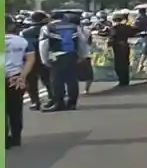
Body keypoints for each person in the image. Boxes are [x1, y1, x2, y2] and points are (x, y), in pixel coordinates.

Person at [38, 10, 91, 112]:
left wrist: (44, 59)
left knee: (56, 80)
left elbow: (43, 45)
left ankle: (59, 103)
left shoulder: (47, 28)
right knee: (72, 80)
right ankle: (72, 103)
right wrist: (82, 55)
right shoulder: (74, 27)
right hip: (72, 55)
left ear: (51, 18)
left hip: (56, 56)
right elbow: (82, 41)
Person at [6, 15, 37, 148]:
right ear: (11, 26)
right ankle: (16, 137)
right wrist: (23, 76)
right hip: (16, 77)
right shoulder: (22, 41)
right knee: (15, 109)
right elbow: (30, 59)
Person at [20, 11, 52, 110]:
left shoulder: (25, 32)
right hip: (46, 57)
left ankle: (35, 102)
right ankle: (52, 99)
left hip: (30, 58)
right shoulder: (50, 30)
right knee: (48, 80)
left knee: (31, 82)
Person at [108, 12, 139, 86]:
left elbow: (112, 37)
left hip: (117, 47)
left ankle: (121, 81)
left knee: (118, 64)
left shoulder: (114, 28)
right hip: (125, 46)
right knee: (125, 63)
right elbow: (134, 31)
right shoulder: (127, 27)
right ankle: (126, 80)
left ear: (114, 20)